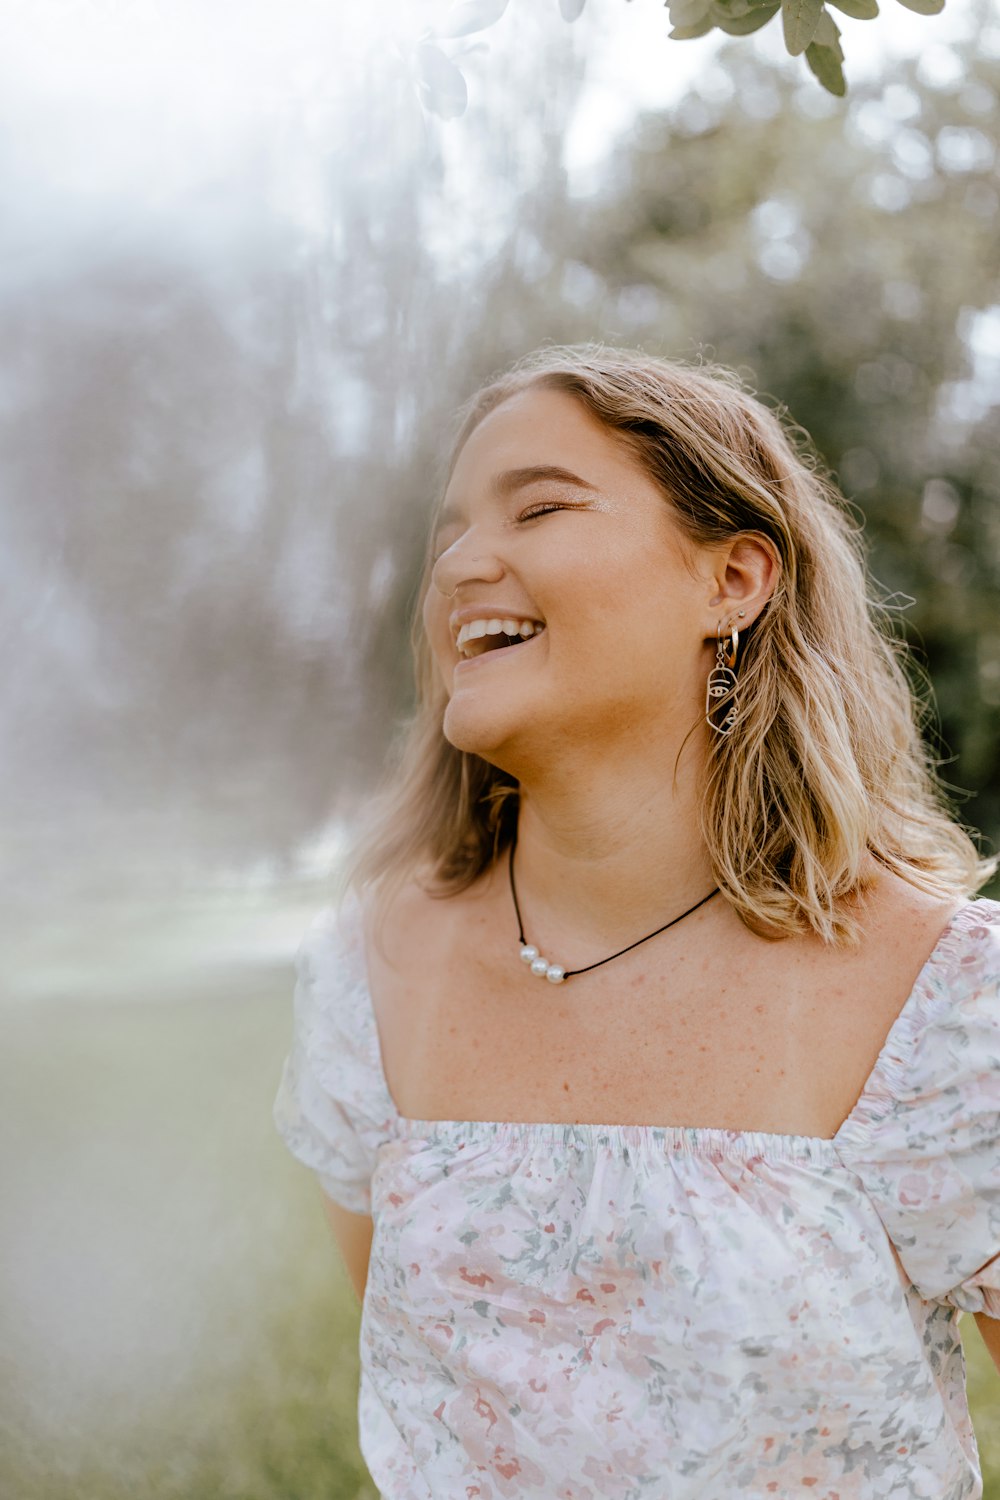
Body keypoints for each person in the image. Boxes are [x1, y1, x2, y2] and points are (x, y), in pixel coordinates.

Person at [274, 344, 1000, 1499]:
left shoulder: (942, 1000)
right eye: (447, 532)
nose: (464, 561)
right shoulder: (370, 967)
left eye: (541, 506)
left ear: (734, 580)